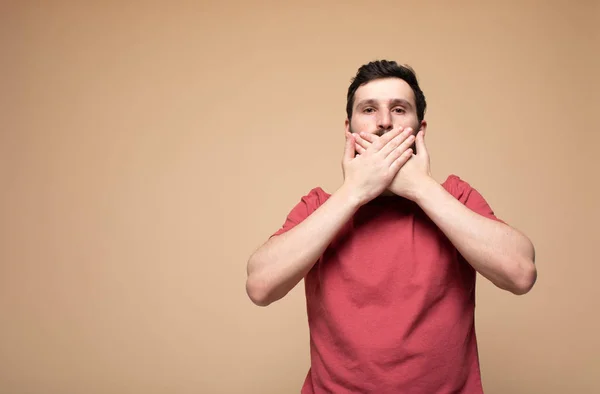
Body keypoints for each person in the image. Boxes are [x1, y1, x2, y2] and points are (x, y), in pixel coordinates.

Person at [245, 60, 537, 393]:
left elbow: (521, 272)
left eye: (399, 110)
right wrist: (354, 192)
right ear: (349, 130)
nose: (384, 122)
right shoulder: (319, 207)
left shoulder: (454, 197)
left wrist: (421, 187)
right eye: (369, 109)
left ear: (420, 130)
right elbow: (259, 285)